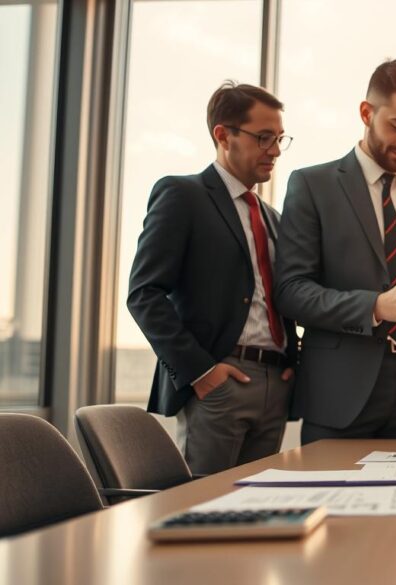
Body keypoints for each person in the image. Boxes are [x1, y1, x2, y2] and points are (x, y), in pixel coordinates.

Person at [274, 59, 396, 443]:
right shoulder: (312, 185)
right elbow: (291, 291)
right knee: (334, 500)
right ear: (366, 113)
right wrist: (374, 307)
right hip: (341, 387)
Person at [127, 81, 298, 475]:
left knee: (261, 509)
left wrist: (292, 362)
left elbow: (280, 296)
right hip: (220, 381)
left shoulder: (272, 219)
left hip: (275, 384)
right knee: (205, 511)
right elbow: (143, 294)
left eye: (280, 139)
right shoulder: (182, 195)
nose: (274, 151)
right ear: (223, 135)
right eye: (264, 138)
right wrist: (202, 374)